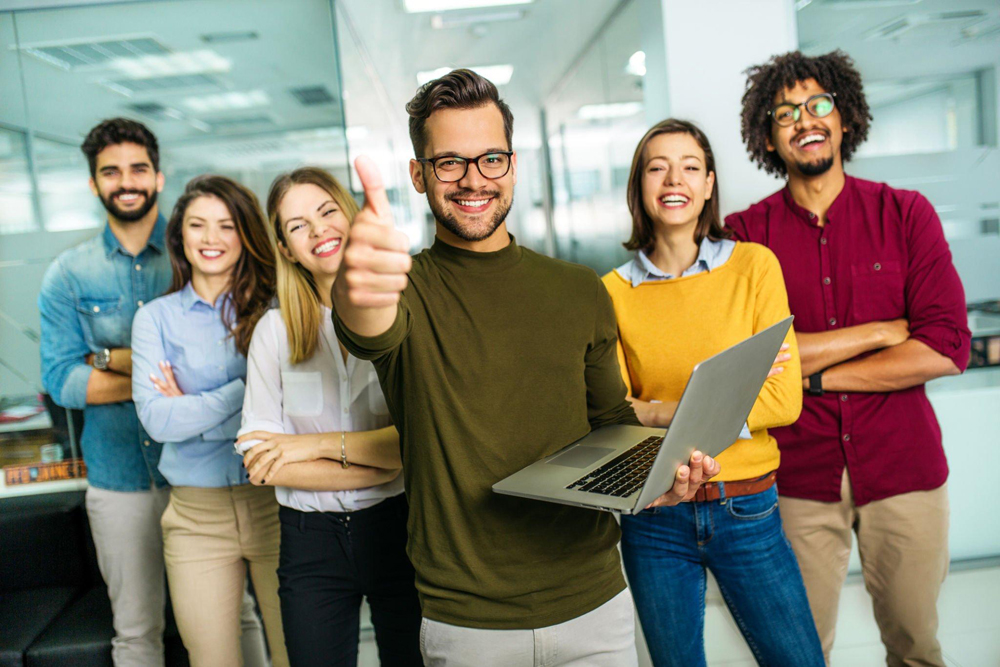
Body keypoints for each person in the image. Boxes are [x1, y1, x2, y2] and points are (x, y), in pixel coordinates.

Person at [331, 68, 720, 666]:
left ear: (512, 164)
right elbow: (368, 325)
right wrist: (358, 288)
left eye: (490, 159)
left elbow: (612, 420)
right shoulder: (404, 292)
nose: (473, 180)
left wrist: (656, 477)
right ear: (418, 174)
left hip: (595, 602)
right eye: (449, 163)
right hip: (469, 623)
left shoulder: (578, 289)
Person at [726, 50, 971, 666]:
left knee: (916, 645)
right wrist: (883, 331)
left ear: (844, 116)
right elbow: (754, 358)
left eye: (818, 104)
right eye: (785, 113)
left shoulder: (906, 213)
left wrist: (817, 375)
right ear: (768, 135)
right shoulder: (746, 235)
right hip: (799, 478)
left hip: (903, 472)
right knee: (799, 652)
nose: (804, 119)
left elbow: (944, 346)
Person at [38, 119, 267, 666]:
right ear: (94, 184)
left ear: (159, 177)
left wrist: (167, 388)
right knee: (136, 630)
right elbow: (62, 380)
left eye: (138, 168)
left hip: (216, 477)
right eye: (110, 171)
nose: (127, 181)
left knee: (240, 617)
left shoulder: (199, 247)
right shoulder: (67, 274)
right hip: (122, 479)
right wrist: (150, 386)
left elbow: (258, 368)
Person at [602, 118, 823, 667]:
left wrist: (661, 411)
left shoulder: (753, 267)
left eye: (690, 167)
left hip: (746, 504)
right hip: (653, 514)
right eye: (657, 167)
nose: (673, 178)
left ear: (708, 185)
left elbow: (784, 400)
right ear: (639, 187)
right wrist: (724, 397)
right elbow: (612, 412)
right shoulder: (609, 292)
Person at [234, 166, 421, 666]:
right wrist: (384, 457)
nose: (317, 232)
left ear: (351, 215)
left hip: (399, 528)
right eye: (298, 226)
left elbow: (419, 443)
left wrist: (307, 445)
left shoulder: (406, 314)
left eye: (326, 212)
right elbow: (260, 461)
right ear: (285, 247)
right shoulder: (274, 332)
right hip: (308, 541)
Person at [131, 175, 288, 667]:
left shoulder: (278, 308)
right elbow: (158, 421)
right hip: (196, 517)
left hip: (279, 503)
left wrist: (193, 407)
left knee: (298, 654)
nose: (211, 238)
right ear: (179, 236)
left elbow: (297, 412)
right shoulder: (154, 319)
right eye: (197, 225)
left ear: (245, 235)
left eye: (226, 225)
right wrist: (250, 390)